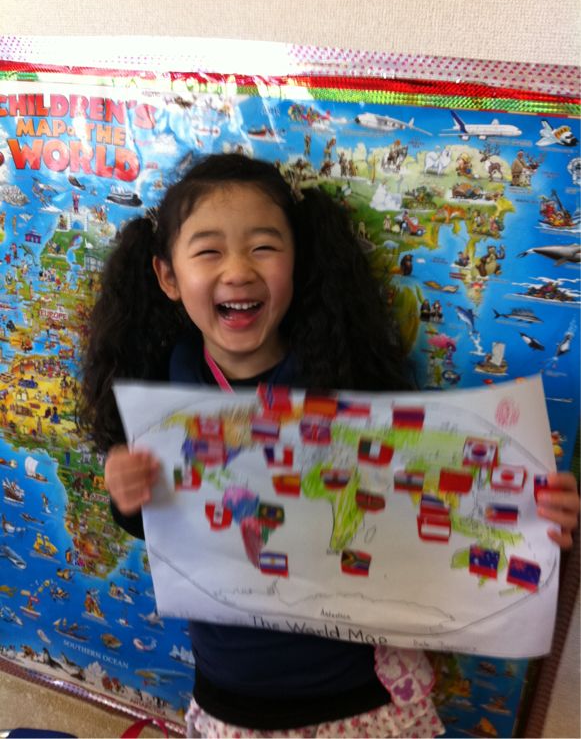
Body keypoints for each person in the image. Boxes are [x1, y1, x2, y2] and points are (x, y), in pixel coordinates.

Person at [79, 153, 579, 738]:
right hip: (231, 698)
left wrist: (531, 511)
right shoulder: (166, 385)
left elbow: (425, 509)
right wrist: (127, 491)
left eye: (263, 246)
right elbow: (160, 527)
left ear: (298, 260)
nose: (237, 270)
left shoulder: (342, 381)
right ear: (168, 277)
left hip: (362, 696)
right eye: (209, 251)